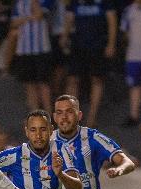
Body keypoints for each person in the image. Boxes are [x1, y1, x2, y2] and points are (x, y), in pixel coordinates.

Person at [60, 0, 117, 128]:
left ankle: (92, 118)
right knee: (72, 80)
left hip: (98, 45)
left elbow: (111, 21)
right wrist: (65, 36)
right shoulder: (76, 3)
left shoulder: (104, 3)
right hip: (78, 45)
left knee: (96, 80)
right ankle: (70, 117)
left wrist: (111, 44)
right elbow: (69, 18)